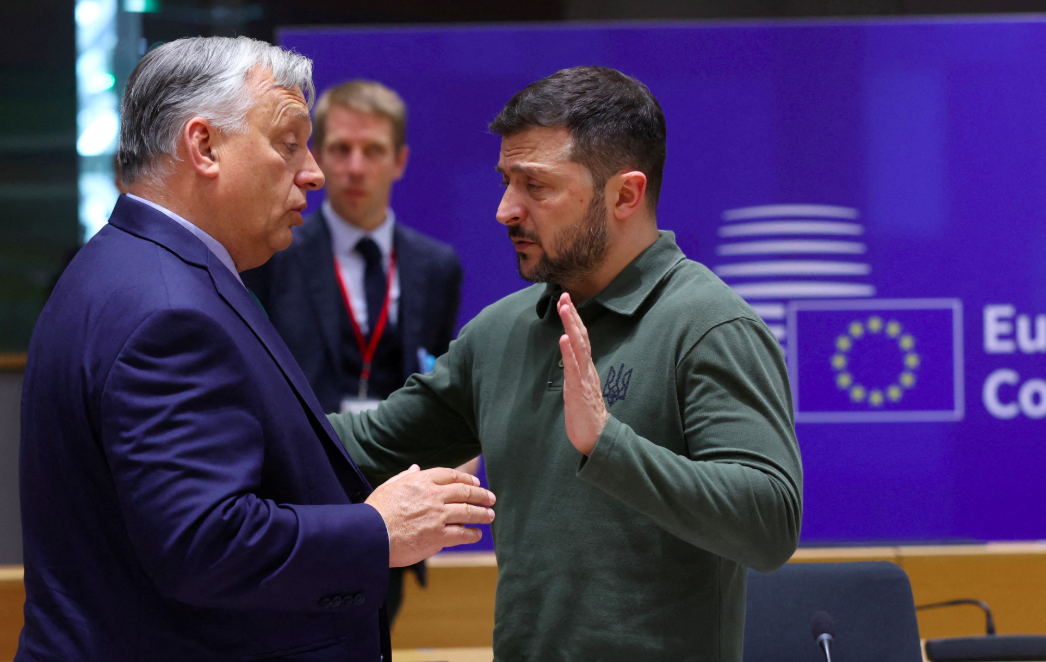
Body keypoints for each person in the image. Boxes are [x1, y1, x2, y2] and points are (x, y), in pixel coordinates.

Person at [17, 36, 494, 662]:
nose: (314, 172)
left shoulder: (128, 266)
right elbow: (204, 543)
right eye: (289, 143)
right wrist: (378, 529)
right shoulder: (169, 311)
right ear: (204, 147)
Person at [326, 66, 804, 661]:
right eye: (506, 181)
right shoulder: (500, 332)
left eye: (535, 185)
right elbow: (360, 447)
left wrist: (608, 444)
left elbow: (770, 524)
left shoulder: (709, 326)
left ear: (625, 195)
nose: (505, 209)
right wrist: (241, 406)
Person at [242, 79, 463, 622]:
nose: (355, 167)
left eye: (373, 150)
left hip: (394, 497)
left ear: (400, 160)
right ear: (318, 156)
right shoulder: (274, 253)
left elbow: (435, 381)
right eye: (340, 149)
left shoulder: (436, 266)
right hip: (297, 503)